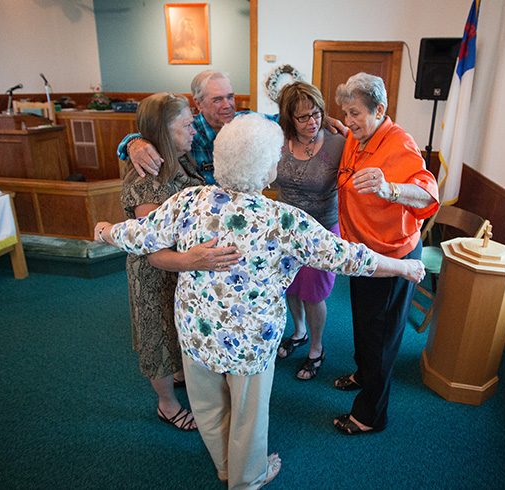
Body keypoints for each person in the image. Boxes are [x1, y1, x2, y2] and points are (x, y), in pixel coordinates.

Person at [95, 113, 426, 489]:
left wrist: (105, 231)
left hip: (196, 332)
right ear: (268, 168)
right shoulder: (283, 220)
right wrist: (401, 268)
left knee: (207, 407)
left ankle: (224, 466)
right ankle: (246, 478)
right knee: (248, 417)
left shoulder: (191, 200)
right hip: (250, 342)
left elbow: (140, 235)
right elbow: (348, 257)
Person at [332, 72, 439, 435]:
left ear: (379, 110)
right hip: (363, 255)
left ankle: (370, 416)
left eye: (355, 113)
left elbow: (429, 195)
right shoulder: (354, 136)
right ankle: (364, 374)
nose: (349, 122)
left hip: (394, 258)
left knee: (382, 336)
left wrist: (389, 188)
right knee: (364, 324)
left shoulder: (399, 143)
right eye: (345, 113)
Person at [118, 92, 225, 432]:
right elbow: (151, 246)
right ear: (164, 130)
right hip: (157, 270)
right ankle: (167, 404)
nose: (194, 130)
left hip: (184, 266)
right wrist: (193, 259)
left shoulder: (180, 156)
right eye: (187, 125)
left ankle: (180, 373)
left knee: (177, 328)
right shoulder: (145, 176)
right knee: (158, 336)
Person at [117, 70, 346, 184]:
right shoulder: (187, 131)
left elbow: (285, 119)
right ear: (198, 103)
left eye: (230, 96)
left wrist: (321, 118)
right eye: (217, 99)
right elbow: (154, 134)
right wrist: (134, 143)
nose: (228, 105)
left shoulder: (246, 121)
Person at [272, 82, 345, 381]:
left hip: (322, 229)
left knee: (314, 294)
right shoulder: (277, 139)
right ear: (289, 118)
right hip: (286, 231)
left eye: (316, 114)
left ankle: (317, 348)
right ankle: (299, 332)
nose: (312, 122)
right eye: (302, 117)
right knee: (290, 287)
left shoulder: (337, 142)